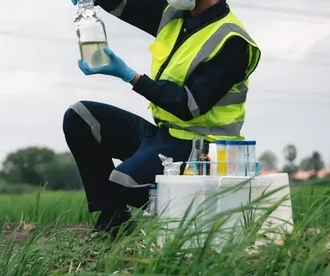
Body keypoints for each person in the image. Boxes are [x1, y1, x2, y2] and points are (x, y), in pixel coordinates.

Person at [63, 0, 261, 236]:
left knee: (122, 183)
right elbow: (129, 6)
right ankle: (115, 218)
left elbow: (190, 105)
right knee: (80, 117)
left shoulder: (232, 41)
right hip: (163, 136)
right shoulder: (175, 15)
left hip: (202, 151)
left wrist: (130, 76)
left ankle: (196, 214)